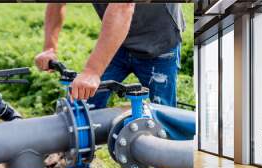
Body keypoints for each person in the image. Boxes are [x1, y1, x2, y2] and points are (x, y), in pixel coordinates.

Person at [35, 3, 185, 109]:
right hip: (116, 42)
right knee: (84, 105)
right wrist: (49, 47)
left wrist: (92, 71)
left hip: (160, 42)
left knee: (165, 116)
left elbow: (123, 7)